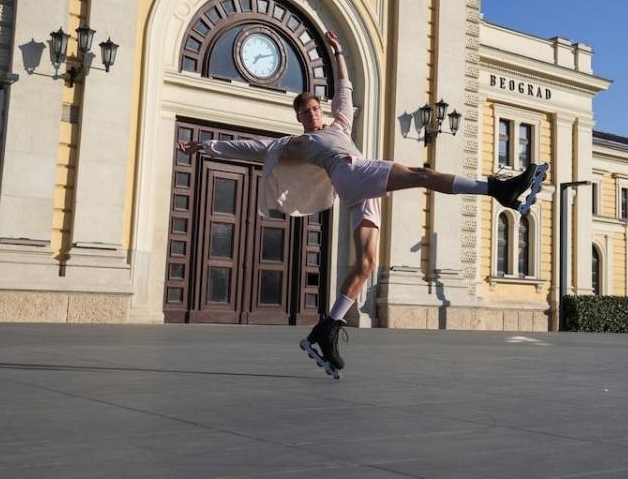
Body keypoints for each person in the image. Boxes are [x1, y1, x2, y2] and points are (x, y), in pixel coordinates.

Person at [178, 30, 541, 377]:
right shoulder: (298, 144)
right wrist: (205, 146)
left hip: (358, 192)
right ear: (299, 118)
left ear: (320, 109)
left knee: (367, 264)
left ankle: (328, 327)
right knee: (421, 174)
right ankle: (498, 189)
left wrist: (337, 53)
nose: (311, 114)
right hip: (352, 174)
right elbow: (253, 148)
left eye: (314, 109)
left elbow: (345, 90)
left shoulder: (339, 125)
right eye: (305, 113)